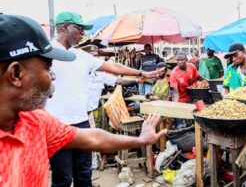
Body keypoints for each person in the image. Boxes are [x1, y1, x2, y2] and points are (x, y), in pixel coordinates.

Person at [0, 14, 166, 187]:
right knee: (63, 179)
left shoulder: (36, 124)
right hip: (60, 118)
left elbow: (94, 139)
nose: (53, 77)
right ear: (16, 74)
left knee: (84, 175)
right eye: (48, 69)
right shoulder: (45, 54)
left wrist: (140, 140)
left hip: (79, 121)